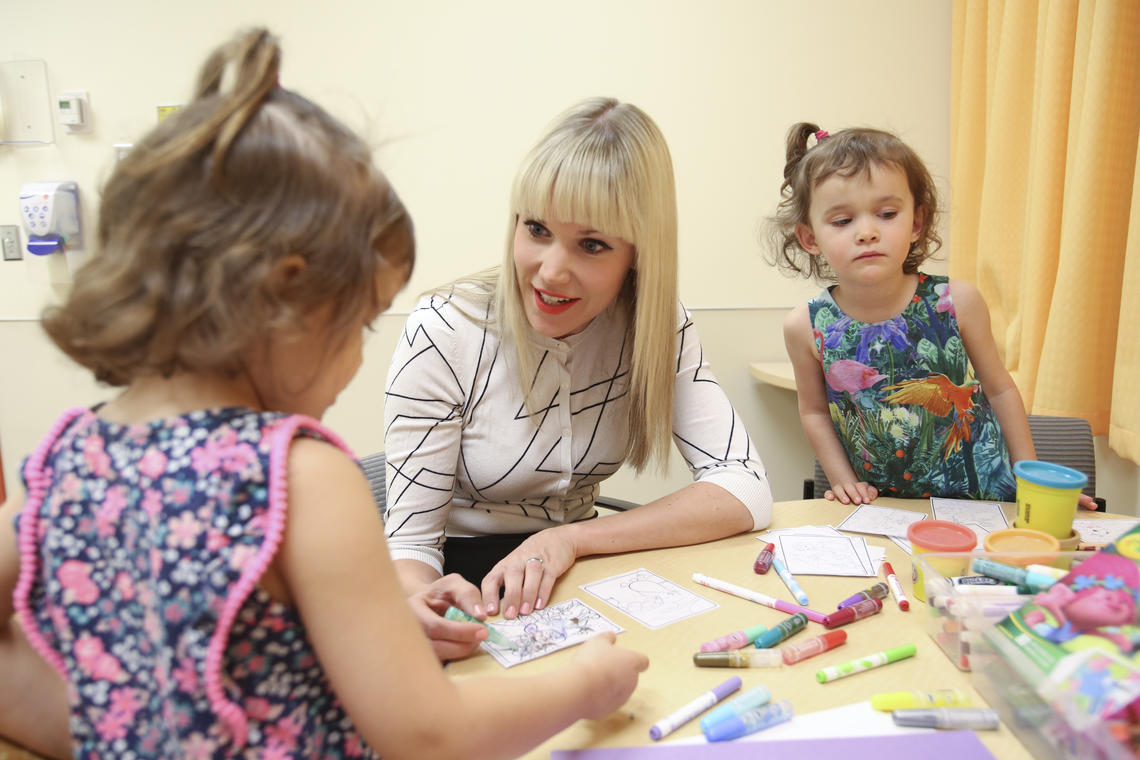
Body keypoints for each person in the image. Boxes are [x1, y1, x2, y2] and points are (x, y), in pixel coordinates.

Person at [0, 29, 647, 760]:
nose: (351, 367)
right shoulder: (299, 478)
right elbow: (432, 735)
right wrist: (587, 683)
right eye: (362, 323)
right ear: (289, 303)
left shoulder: (62, 460)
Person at [383, 97, 773, 647]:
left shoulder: (655, 323)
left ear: (638, 255)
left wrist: (570, 542)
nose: (551, 271)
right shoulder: (445, 328)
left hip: (581, 569)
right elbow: (411, 546)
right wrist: (422, 608)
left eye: (591, 245)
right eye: (536, 229)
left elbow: (746, 489)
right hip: (462, 579)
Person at [770, 122, 1099, 510]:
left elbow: (1000, 389)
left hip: (987, 499)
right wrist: (844, 482)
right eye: (843, 221)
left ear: (917, 222)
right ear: (810, 238)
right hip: (882, 508)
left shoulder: (957, 300)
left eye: (887, 213)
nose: (867, 232)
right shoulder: (804, 327)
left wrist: (1032, 478)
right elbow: (813, 411)